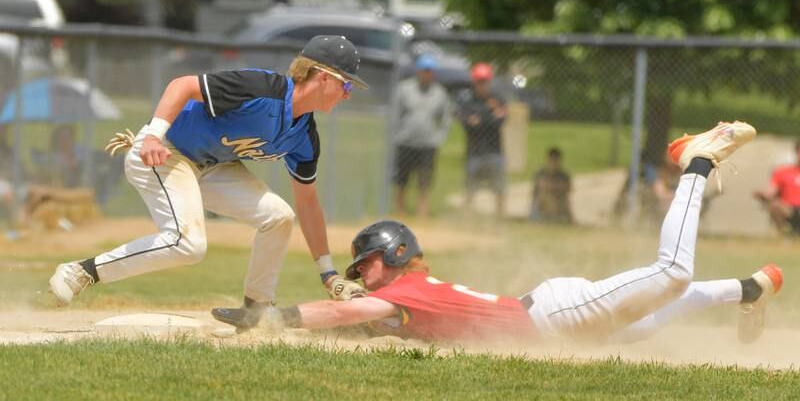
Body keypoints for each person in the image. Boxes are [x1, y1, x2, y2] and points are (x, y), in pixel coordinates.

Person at [214, 121, 782, 345]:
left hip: (558, 315)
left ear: (395, 254)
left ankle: (697, 162)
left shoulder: (402, 291)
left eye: (365, 264)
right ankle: (748, 290)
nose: (362, 275)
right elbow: (355, 327)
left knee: (671, 274)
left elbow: (343, 315)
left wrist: (272, 317)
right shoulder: (404, 298)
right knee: (650, 317)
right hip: (556, 326)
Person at [48, 35, 370, 321]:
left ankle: (257, 310)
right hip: (166, 150)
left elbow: (307, 202)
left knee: (279, 217)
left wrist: (328, 273)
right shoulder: (263, 89)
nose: (348, 94)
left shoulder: (305, 136)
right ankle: (82, 271)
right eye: (347, 84)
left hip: (212, 167)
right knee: (188, 245)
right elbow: (183, 85)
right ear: (323, 77)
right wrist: (153, 136)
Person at [392, 54, 451, 218]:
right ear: (418, 71)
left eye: (430, 71)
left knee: (425, 179)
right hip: (405, 141)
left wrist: (440, 137)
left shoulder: (440, 93)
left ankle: (422, 211)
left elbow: (446, 118)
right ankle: (399, 209)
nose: (427, 74)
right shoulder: (404, 89)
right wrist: (396, 134)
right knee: (401, 179)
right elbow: (395, 114)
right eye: (424, 70)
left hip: (428, 144)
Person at [455, 63, 507, 217]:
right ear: (474, 82)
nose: (482, 85)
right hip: (474, 151)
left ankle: (500, 218)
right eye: (479, 81)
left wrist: (479, 119)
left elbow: (500, 121)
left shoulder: (498, 99)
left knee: (499, 188)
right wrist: (490, 115)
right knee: (470, 188)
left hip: (494, 150)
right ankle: (466, 218)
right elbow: (467, 123)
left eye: (485, 81)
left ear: (489, 81)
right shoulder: (468, 100)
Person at [754, 140, 800, 235]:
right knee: (775, 206)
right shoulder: (782, 172)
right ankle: (783, 234)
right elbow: (771, 192)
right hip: (789, 209)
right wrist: (764, 195)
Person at [530, 147, 572, 224]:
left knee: (563, 198)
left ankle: (562, 219)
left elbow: (568, 188)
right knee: (546, 195)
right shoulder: (540, 173)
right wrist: (557, 186)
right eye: (552, 160)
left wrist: (553, 186)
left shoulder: (563, 174)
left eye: (556, 160)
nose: (554, 162)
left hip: (558, 200)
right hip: (542, 203)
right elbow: (543, 186)